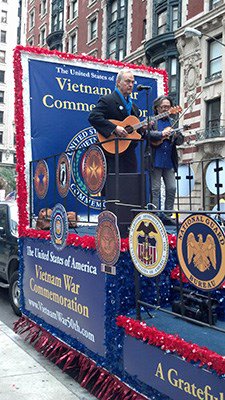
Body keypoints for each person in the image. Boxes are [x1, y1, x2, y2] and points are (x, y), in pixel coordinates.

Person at [88, 69, 144, 173]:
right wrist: (114, 128)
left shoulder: (134, 107)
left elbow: (136, 132)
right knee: (112, 184)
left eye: (132, 82)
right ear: (118, 82)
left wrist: (143, 128)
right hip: (111, 151)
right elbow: (93, 117)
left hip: (128, 153)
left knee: (130, 183)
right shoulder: (108, 100)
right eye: (127, 81)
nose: (131, 85)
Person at [146, 95, 184, 215]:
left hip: (169, 161)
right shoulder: (152, 121)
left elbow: (180, 141)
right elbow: (146, 134)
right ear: (157, 108)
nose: (166, 109)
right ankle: (155, 215)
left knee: (172, 188)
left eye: (168, 107)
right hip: (155, 160)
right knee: (155, 189)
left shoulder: (173, 122)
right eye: (163, 107)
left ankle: (168, 214)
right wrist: (161, 133)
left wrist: (177, 136)